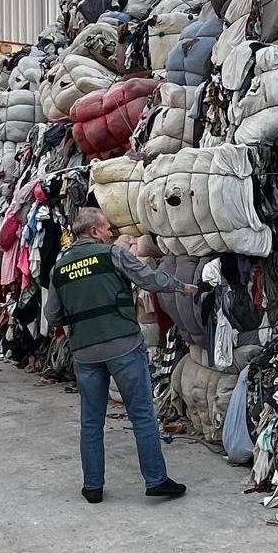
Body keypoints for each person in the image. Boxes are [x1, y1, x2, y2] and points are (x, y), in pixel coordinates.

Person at [47, 206, 195, 504]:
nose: (111, 233)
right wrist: (181, 286)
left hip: (85, 353)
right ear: (92, 231)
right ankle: (155, 480)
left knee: (91, 420)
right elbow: (148, 279)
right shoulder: (111, 254)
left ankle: (92, 487)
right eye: (106, 228)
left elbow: (53, 315)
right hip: (123, 346)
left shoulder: (59, 268)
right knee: (141, 413)